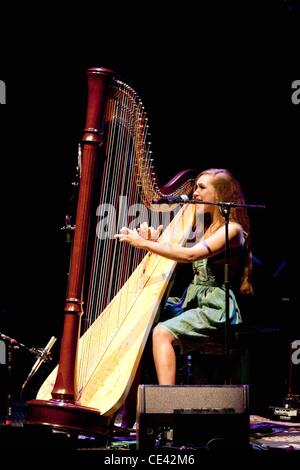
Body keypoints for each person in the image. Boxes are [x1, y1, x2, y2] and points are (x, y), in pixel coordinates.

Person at [115, 168, 253, 386]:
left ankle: (166, 406)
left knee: (161, 333)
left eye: (202, 188)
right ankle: (128, 400)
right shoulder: (203, 226)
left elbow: (190, 255)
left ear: (220, 195)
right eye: (195, 186)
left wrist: (144, 243)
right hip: (192, 301)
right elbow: (177, 253)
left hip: (215, 307)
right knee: (143, 317)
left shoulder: (232, 230)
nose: (194, 193)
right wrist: (156, 242)